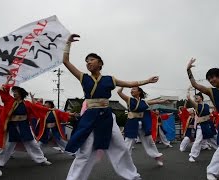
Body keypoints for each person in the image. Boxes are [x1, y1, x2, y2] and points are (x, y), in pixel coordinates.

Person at [63, 34, 159, 180]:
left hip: (107, 116)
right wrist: (68, 43)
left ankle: (132, 176)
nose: (88, 63)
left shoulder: (109, 79)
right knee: (85, 151)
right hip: (89, 117)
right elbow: (65, 61)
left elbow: (129, 83)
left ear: (100, 63)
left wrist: (147, 81)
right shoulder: (84, 77)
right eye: (86, 61)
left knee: (121, 147)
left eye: (91, 60)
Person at [0, 77, 51, 167]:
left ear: (20, 94)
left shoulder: (27, 104)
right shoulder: (10, 101)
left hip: (24, 126)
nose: (14, 94)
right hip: (13, 127)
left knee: (32, 144)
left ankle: (41, 160)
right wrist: (8, 81)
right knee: (8, 146)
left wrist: (49, 110)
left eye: (16, 92)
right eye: (13, 92)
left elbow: (38, 108)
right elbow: (4, 92)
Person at [117, 87, 167, 166]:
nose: (131, 90)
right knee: (128, 142)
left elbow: (155, 101)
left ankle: (157, 156)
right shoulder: (129, 99)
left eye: (134, 89)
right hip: (132, 123)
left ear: (139, 92)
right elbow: (119, 92)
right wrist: (123, 85)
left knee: (149, 141)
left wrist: (163, 101)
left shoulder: (144, 102)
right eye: (131, 89)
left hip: (142, 124)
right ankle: (125, 162)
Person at [187, 91, 218, 162]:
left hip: (208, 124)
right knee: (198, 140)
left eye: (197, 96)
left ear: (201, 97)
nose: (195, 98)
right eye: (195, 97)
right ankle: (192, 156)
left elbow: (214, 106)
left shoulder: (206, 105)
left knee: (212, 139)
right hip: (200, 126)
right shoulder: (196, 105)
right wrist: (188, 90)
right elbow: (189, 98)